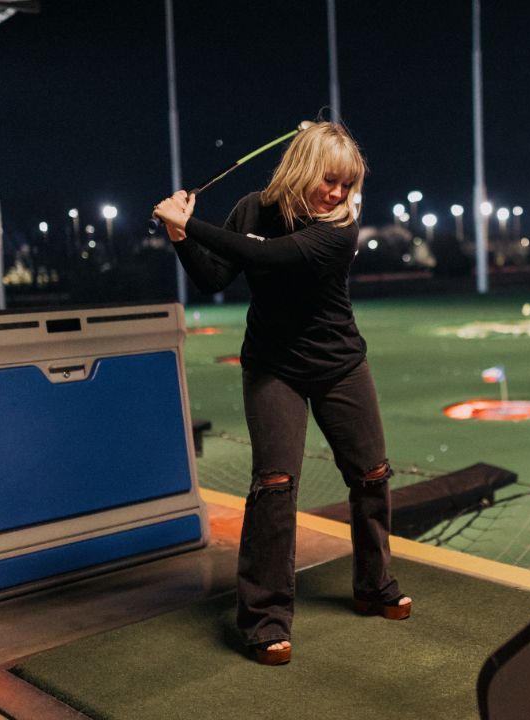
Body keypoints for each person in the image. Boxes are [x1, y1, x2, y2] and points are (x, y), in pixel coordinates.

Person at [153, 121, 410, 666]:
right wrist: (180, 237)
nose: (339, 195)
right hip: (274, 367)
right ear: (302, 169)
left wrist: (188, 221)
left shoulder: (339, 227)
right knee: (274, 485)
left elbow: (269, 259)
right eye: (330, 181)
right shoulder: (252, 209)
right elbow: (213, 277)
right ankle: (265, 620)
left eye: (347, 185)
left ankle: (374, 584)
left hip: (340, 365)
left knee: (371, 474)